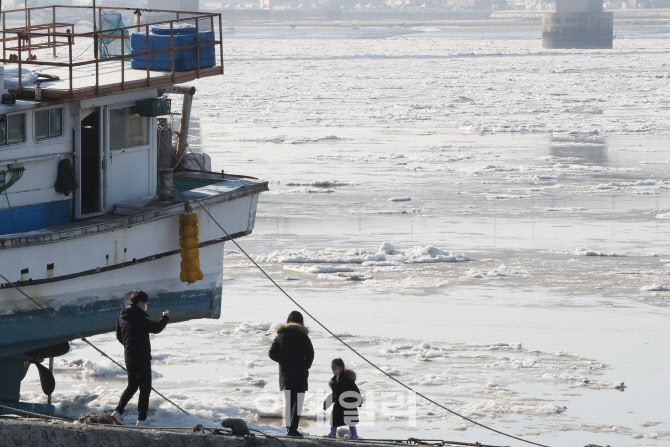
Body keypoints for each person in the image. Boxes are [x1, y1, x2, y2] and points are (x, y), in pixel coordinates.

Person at [111, 291, 170, 426]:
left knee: (132, 386)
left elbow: (119, 336)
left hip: (129, 356)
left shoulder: (122, 317)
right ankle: (142, 420)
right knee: (145, 388)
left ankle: (117, 412)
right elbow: (155, 328)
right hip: (141, 357)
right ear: (140, 303)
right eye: (145, 303)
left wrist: (129, 346)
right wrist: (165, 317)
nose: (146, 306)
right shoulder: (138, 317)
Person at [268, 310, 314, 437]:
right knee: (298, 401)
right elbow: (310, 354)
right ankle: (293, 429)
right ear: (301, 322)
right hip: (300, 373)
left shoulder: (281, 335)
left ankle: (289, 428)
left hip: (285, 374)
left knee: (289, 401)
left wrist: (283, 361)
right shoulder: (303, 336)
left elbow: (271, 353)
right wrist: (306, 366)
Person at [323, 358, 362, 440]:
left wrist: (359, 401)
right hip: (338, 405)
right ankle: (332, 434)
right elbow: (335, 394)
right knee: (334, 419)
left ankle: (354, 435)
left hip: (348, 403)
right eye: (332, 369)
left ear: (341, 367)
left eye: (335, 368)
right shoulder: (335, 381)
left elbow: (356, 390)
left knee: (350, 420)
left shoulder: (348, 380)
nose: (334, 371)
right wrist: (327, 403)